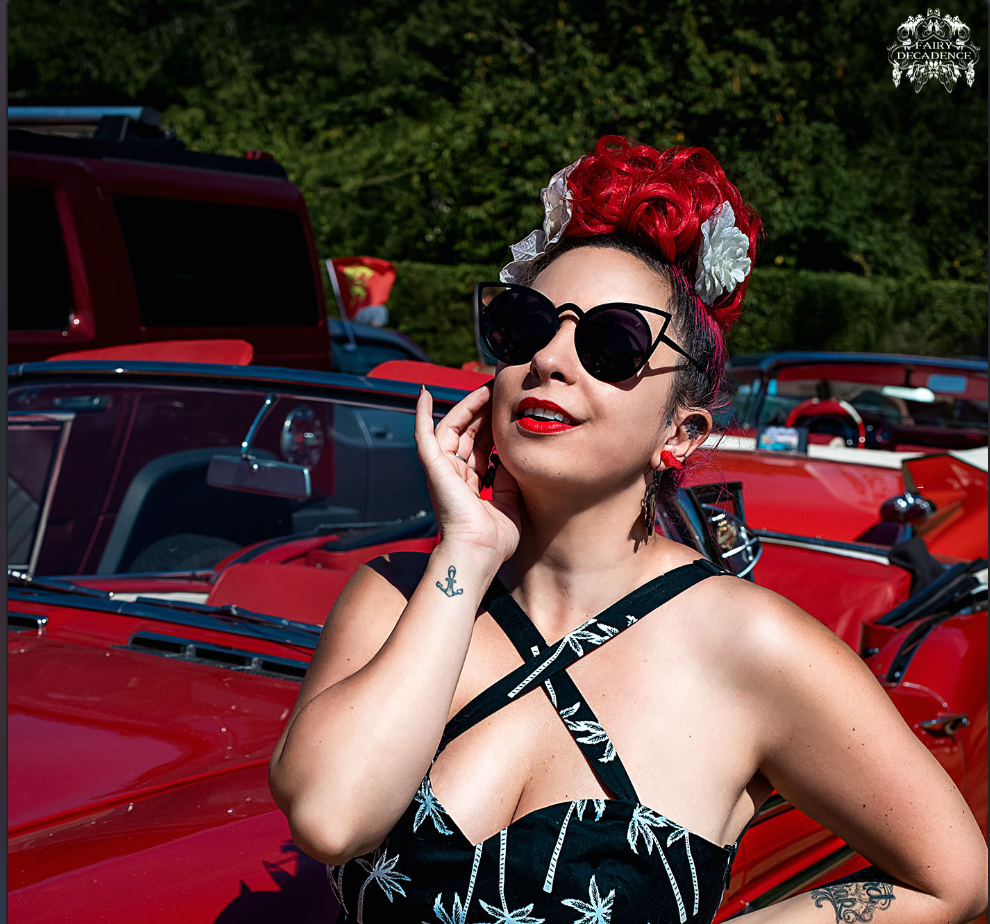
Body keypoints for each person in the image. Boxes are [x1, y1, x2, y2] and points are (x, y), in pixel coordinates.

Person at [269, 136, 987, 924]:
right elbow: (332, 819)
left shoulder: (752, 646)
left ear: (680, 433)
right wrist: (467, 554)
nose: (549, 360)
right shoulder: (395, 599)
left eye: (610, 345)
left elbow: (951, 878)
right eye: (526, 325)